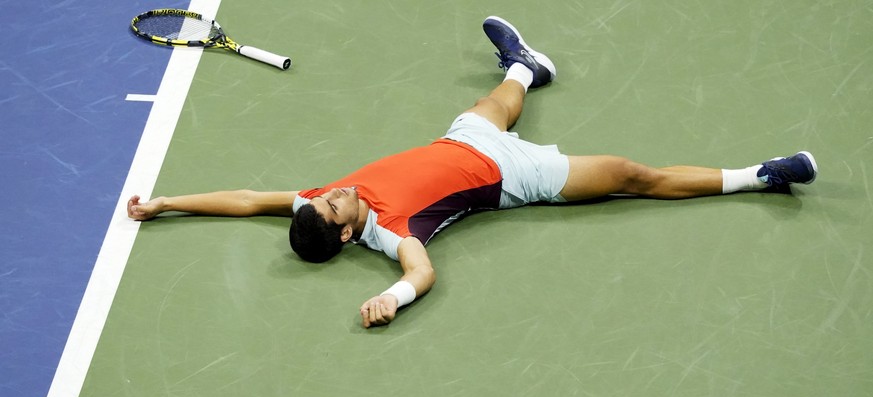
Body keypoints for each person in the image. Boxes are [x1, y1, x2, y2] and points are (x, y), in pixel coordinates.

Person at [127, 16, 818, 328]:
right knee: (635, 174)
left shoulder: (314, 202)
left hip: (462, 138)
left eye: (329, 198)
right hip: (516, 178)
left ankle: (527, 66)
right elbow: (422, 273)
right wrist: (391, 299)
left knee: (494, 101)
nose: (335, 193)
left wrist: (166, 203)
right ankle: (760, 175)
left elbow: (248, 200)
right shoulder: (392, 234)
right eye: (338, 209)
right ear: (344, 238)